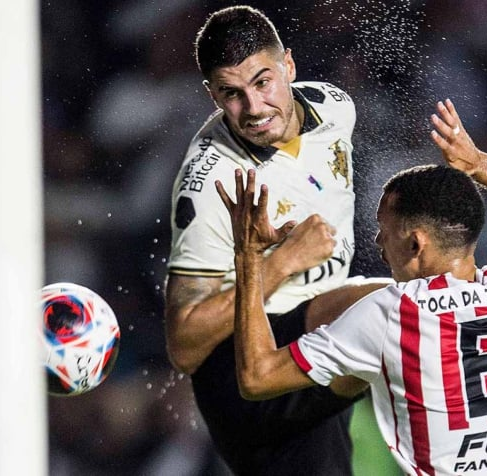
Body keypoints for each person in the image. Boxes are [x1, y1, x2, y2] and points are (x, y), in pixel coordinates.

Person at [216, 99, 487, 475]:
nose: (378, 242)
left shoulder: (389, 314)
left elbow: (257, 377)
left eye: (384, 230)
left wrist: (248, 257)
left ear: (415, 243)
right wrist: (482, 166)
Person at [164, 5, 391, 475]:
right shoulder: (212, 182)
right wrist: (281, 262)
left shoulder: (334, 107)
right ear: (212, 94)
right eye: (231, 94)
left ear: (288, 65)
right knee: (392, 308)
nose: (253, 108)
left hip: (311, 344)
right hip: (245, 375)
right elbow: (184, 345)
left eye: (262, 82)